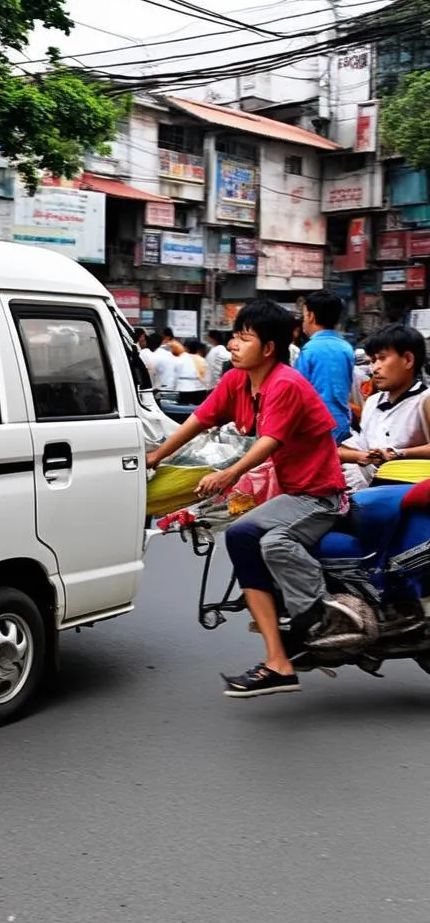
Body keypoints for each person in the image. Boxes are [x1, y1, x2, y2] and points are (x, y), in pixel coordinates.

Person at [145, 299, 356, 698]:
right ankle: (278, 659)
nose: (234, 346)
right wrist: (157, 456)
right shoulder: (236, 381)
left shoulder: (285, 384)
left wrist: (228, 474)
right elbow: (199, 419)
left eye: (244, 338)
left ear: (270, 348)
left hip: (320, 495)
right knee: (241, 536)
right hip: (291, 491)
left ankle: (318, 620)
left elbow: (271, 439)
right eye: (234, 337)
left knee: (271, 541)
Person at [339, 324, 430, 491]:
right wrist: (363, 456)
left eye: (382, 358)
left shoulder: (424, 399)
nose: (375, 369)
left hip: (412, 490)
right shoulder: (373, 402)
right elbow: (359, 446)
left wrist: (398, 453)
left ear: (408, 360)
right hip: (372, 487)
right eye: (373, 361)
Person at [295, 291, 354, 444]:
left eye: (304, 316)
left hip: (316, 426)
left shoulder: (309, 350)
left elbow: (297, 393)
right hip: (342, 424)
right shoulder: (346, 348)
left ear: (311, 316)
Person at [176, 338, 208, 405]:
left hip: (184, 390)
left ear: (186, 347)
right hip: (200, 391)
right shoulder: (202, 360)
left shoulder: (180, 359)